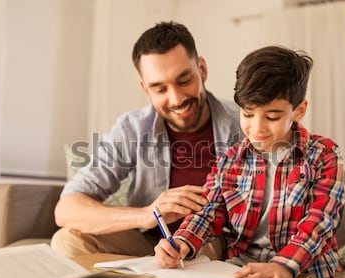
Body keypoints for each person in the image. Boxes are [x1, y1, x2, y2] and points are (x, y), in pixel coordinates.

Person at [154, 45, 345, 278]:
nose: (257, 128)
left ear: (299, 110)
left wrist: (284, 265)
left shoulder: (324, 154)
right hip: (242, 268)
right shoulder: (230, 160)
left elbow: (321, 221)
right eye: (248, 113)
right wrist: (181, 242)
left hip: (304, 268)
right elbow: (208, 214)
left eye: (272, 116)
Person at [50, 21, 242, 257]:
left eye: (184, 81)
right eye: (160, 89)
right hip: (147, 243)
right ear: (145, 88)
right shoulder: (132, 129)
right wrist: (149, 214)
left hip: (210, 242)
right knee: (68, 240)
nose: (176, 99)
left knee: (207, 250)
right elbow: (67, 209)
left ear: (202, 69)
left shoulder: (245, 123)